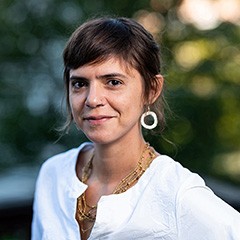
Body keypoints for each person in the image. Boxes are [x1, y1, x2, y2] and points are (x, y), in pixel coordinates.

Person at [31, 17, 240, 240]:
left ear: (151, 89)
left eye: (113, 82)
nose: (92, 99)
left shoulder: (177, 194)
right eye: (80, 84)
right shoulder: (53, 175)